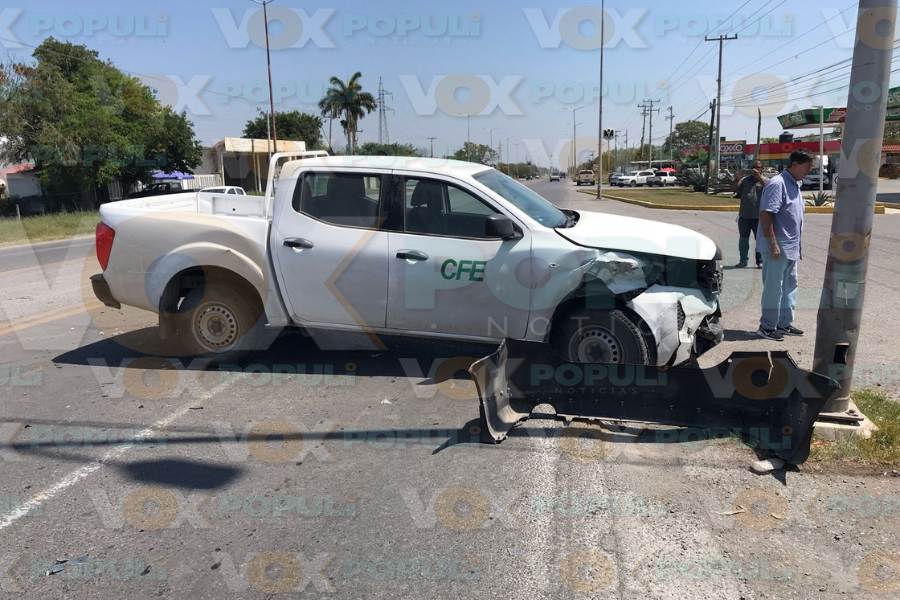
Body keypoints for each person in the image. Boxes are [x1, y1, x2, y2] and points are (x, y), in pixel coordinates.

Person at [757, 150, 813, 341]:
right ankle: (767, 327)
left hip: (791, 248)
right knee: (774, 288)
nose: (809, 171)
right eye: (807, 167)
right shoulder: (777, 184)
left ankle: (784, 324)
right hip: (778, 247)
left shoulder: (795, 185)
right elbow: (766, 214)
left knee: (790, 286)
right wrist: (772, 244)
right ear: (795, 164)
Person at [734, 161, 767, 268]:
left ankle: (760, 261)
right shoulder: (745, 180)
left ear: (762, 169)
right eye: (754, 167)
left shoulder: (764, 180)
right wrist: (737, 178)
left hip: (758, 217)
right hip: (744, 216)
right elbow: (733, 189)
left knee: (760, 241)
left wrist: (759, 178)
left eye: (758, 167)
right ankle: (743, 260)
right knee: (743, 240)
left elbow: (770, 189)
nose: (755, 170)